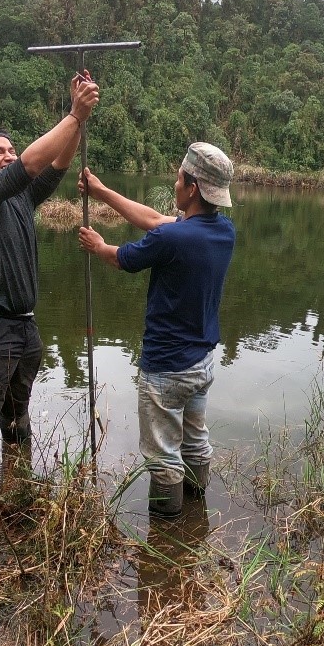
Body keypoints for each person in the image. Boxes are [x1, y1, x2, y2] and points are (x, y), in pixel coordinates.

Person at [0, 72, 100, 467]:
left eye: (12, 149)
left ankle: (17, 488)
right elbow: (31, 165)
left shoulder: (21, 197)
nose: (10, 155)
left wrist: (80, 122)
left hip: (23, 325)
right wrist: (72, 113)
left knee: (17, 412)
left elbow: (56, 164)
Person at [77, 143, 236, 515]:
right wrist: (101, 191)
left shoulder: (174, 238)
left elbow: (122, 259)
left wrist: (99, 245)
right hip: (201, 365)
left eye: (179, 178)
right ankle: (195, 516)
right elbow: (153, 220)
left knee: (164, 454)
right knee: (195, 440)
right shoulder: (223, 231)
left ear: (193, 188)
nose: (175, 183)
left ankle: (166, 527)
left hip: (165, 368)